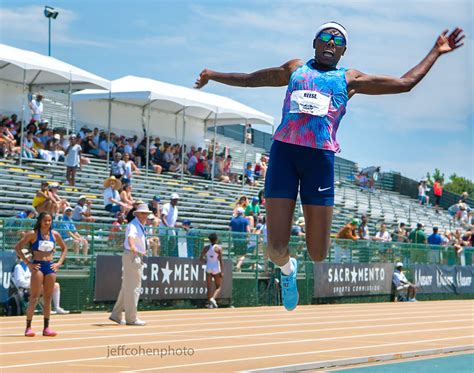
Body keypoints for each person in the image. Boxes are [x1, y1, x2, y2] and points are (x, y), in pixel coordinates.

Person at [195, 22, 464, 311]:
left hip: (320, 161)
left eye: (337, 40)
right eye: (325, 37)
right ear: (314, 42)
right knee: (274, 249)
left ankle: (296, 263)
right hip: (284, 154)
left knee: (319, 253)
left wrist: (436, 51)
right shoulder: (295, 69)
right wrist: (213, 75)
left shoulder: (349, 78)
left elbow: (403, 83)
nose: (330, 43)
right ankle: (287, 271)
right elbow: (249, 78)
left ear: (344, 50)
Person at [14, 212, 68, 337]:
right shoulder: (33, 234)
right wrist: (28, 263)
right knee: (34, 297)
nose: (48, 223)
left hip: (50, 267)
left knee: (48, 298)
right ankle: (28, 327)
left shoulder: (54, 235)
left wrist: (59, 263)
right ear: (40, 221)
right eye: (45, 221)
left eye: (49, 221)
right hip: (37, 266)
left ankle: (46, 328)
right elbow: (18, 247)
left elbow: (64, 248)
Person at [109, 204, 151, 326]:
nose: (145, 215)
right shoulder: (133, 225)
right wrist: (133, 247)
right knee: (134, 288)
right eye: (143, 213)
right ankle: (131, 318)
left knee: (127, 286)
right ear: (137, 214)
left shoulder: (139, 225)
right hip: (133, 255)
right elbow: (130, 237)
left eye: (146, 213)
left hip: (134, 255)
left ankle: (116, 315)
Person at [199, 232, 224, 309]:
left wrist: (206, 261)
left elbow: (200, 258)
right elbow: (221, 261)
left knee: (209, 286)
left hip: (208, 267)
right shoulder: (218, 248)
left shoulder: (206, 248)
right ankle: (213, 298)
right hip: (216, 267)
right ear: (216, 239)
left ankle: (210, 304)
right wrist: (222, 271)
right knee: (218, 286)